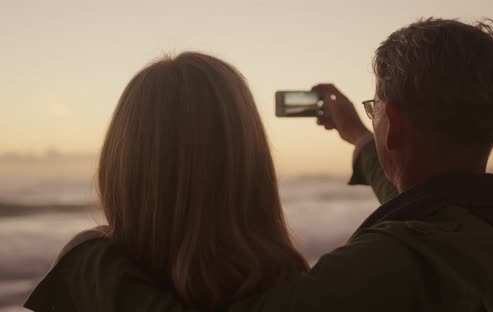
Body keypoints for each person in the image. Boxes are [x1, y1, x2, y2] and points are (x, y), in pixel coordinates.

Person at [26, 18, 493, 311]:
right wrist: (356, 133)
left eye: (375, 113)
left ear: (392, 122)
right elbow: (425, 208)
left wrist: (90, 259)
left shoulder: (386, 267)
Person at [24, 52, 310, 311]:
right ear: (252, 165)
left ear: (122, 165)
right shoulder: (297, 289)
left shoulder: (90, 275)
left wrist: (86, 256)